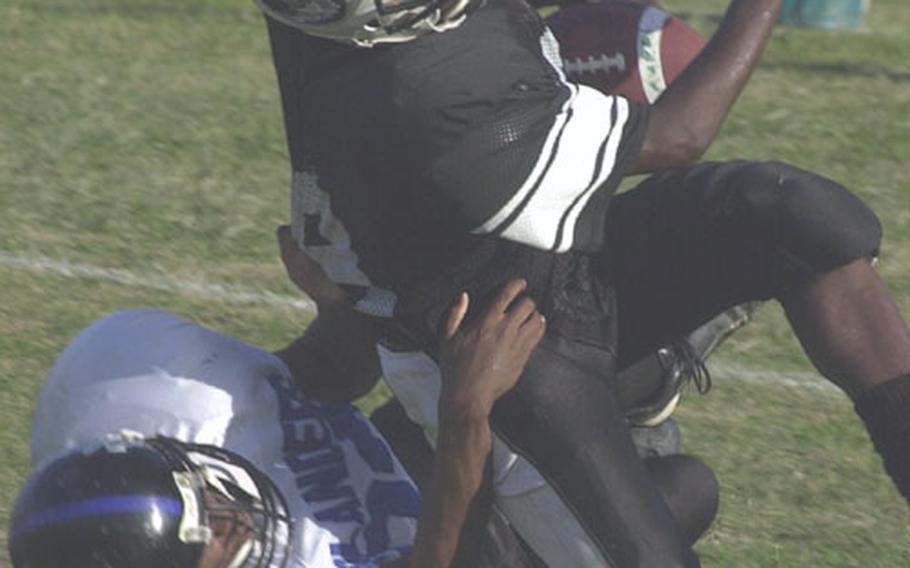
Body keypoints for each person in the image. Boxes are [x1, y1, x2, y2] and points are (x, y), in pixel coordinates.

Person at [259, 0, 910, 565]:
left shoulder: (346, 31)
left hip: (548, 262)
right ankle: (515, 501)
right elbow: (682, 132)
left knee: (795, 218)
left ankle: (646, 374)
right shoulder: (424, 97)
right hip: (492, 362)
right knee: (668, 528)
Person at [8, 229, 718, 567]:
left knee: (501, 341)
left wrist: (338, 299)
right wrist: (464, 411)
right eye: (218, 537)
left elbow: (319, 377)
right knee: (685, 491)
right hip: (450, 545)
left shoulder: (121, 374)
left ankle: (635, 376)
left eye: (204, 489)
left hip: (388, 466)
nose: (234, 510)